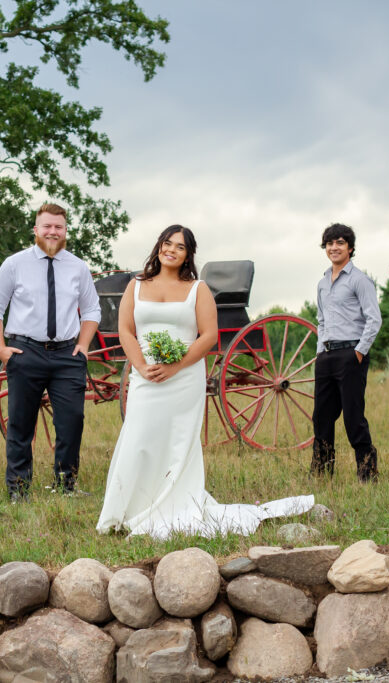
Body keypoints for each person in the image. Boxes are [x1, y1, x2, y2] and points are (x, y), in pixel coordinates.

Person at [97, 226, 313, 539]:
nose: (171, 250)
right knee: (139, 437)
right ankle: (128, 508)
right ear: (159, 246)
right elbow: (126, 331)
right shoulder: (136, 286)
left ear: (188, 255)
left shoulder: (197, 289)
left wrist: (175, 366)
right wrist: (142, 367)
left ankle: (172, 506)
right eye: (167, 243)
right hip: (145, 377)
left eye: (179, 247)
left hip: (184, 377)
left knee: (177, 440)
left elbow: (209, 336)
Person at [0, 203, 100, 502]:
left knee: (72, 421)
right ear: (35, 229)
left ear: (65, 231)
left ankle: (66, 485)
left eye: (58, 227)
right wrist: (0, 348)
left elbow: (91, 309)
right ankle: (18, 490)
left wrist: (83, 347)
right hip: (25, 351)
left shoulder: (78, 267)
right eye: (46, 226)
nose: (52, 231)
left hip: (66, 355)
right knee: (21, 424)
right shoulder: (14, 264)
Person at [311, 223, 382, 482]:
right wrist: (320, 352)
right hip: (326, 356)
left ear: (350, 248)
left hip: (351, 355)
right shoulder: (322, 283)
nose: (334, 247)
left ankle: (367, 473)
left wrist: (359, 352)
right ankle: (322, 473)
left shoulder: (359, 280)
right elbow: (321, 320)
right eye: (330, 243)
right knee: (321, 417)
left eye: (340, 243)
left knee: (353, 417)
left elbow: (374, 319)